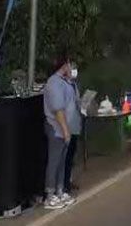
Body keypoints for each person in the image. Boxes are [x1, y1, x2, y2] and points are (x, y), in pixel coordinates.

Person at [42, 54, 79, 210]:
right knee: (54, 161)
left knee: (62, 161)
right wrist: (65, 130)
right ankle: (50, 195)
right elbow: (58, 110)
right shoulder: (53, 83)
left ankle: (60, 191)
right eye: (69, 64)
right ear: (64, 65)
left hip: (65, 128)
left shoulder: (66, 82)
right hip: (56, 128)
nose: (71, 67)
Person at [63, 62, 83, 194]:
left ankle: (68, 181)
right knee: (65, 156)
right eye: (72, 70)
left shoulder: (74, 85)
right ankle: (63, 184)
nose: (74, 72)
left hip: (75, 124)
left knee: (71, 156)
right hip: (66, 125)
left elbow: (78, 102)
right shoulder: (63, 86)